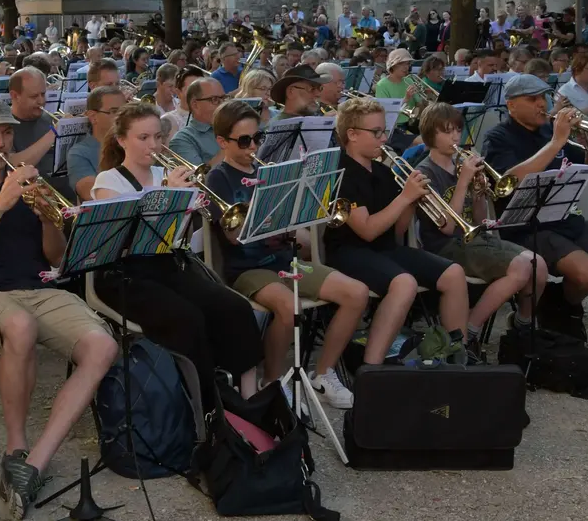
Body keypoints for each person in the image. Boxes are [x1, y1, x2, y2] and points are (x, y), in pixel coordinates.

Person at [0, 99, 116, 515]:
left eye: (7, 133)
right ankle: (16, 445)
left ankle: (35, 461)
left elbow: (54, 257)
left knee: (103, 347)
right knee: (19, 325)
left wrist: (48, 217)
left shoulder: (36, 181)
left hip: (36, 287)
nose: (0, 142)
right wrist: (1, 203)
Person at [91, 103, 265, 408]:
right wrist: (170, 198)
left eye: (158, 137)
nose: (153, 145)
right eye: (143, 138)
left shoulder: (165, 172)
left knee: (235, 307)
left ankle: (247, 397)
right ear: (121, 141)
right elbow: (125, 242)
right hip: (126, 274)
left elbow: (180, 240)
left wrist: (190, 212)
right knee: (187, 318)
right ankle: (203, 401)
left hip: (168, 265)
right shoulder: (108, 182)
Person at [206, 101, 364, 407]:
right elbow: (235, 238)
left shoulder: (274, 172)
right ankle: (274, 379)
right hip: (247, 269)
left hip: (285, 260)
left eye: (258, 138)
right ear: (222, 142)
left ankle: (323, 373)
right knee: (289, 307)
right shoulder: (219, 179)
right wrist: (272, 219)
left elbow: (300, 239)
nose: (253, 146)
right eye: (244, 140)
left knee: (356, 293)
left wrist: (303, 213)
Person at [481, 75, 588, 339]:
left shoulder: (551, 132)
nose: (542, 104)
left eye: (544, 97)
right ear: (511, 105)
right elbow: (509, 181)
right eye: (533, 99)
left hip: (567, 218)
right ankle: (566, 304)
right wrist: (555, 143)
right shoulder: (498, 137)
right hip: (526, 227)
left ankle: (558, 298)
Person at [325, 97, 472, 364]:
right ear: (353, 135)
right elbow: (367, 231)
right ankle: (373, 365)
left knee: (453, 273)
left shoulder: (383, 170)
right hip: (348, 252)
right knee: (405, 284)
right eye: (377, 132)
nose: (384, 138)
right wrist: (404, 198)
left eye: (385, 131)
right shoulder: (340, 173)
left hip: (385, 249)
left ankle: (456, 353)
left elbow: (398, 230)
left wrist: (413, 201)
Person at [415, 104, 547, 357]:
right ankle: (470, 330)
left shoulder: (460, 165)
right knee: (522, 268)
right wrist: (464, 181)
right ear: (431, 135)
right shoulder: (424, 173)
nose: (455, 137)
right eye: (446, 131)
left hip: (476, 239)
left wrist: (478, 193)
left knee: (538, 265)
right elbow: (447, 227)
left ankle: (522, 324)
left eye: (458, 130)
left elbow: (479, 219)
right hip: (446, 247)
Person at [67, 85, 126, 201]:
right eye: (114, 111)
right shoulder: (79, 153)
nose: (122, 118)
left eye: (124, 112)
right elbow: (92, 194)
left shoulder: (132, 142)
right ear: (93, 117)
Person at [167, 77, 226, 167]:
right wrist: (232, 145)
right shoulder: (182, 140)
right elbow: (199, 179)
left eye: (224, 98)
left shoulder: (230, 127)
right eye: (215, 99)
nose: (223, 104)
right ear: (195, 105)